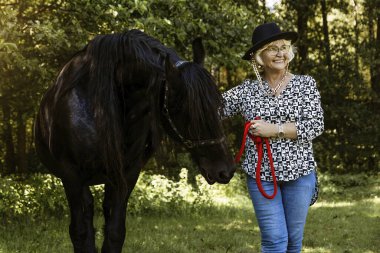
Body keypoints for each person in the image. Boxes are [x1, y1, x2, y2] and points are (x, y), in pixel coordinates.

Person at [222, 22, 324, 253]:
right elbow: (212, 109)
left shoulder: (305, 85)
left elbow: (316, 125)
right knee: (274, 241)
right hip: (262, 176)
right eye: (272, 48)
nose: (280, 53)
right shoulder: (246, 90)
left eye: (284, 47)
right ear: (259, 56)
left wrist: (274, 129)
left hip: (300, 174)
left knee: (293, 243)